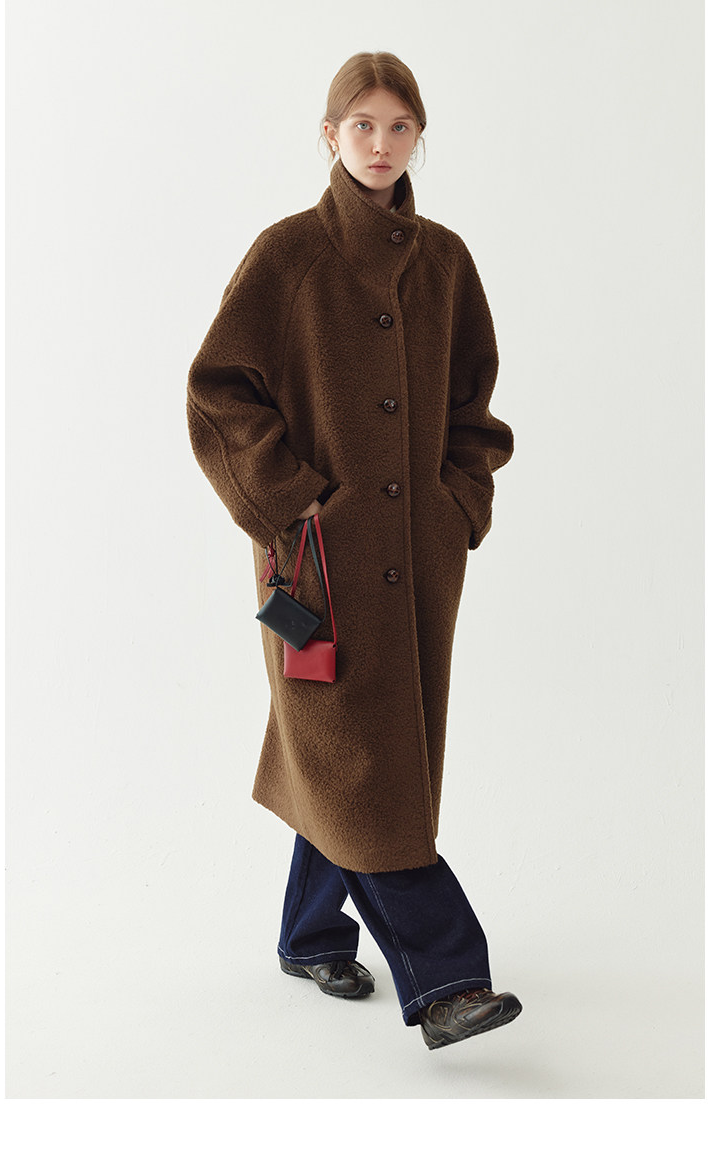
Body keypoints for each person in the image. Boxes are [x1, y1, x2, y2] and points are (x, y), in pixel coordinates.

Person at [186, 51, 522, 1050]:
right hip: (315, 564)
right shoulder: (287, 256)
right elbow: (218, 389)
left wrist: (460, 505)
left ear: (419, 137)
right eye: (362, 125)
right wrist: (295, 507)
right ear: (330, 135)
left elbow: (475, 405)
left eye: (399, 126)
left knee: (357, 754)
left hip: (419, 561)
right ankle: (449, 980)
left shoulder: (447, 262)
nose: (381, 144)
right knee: (361, 759)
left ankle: (309, 933)